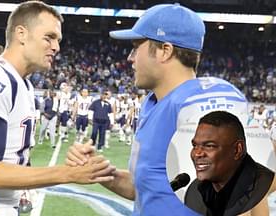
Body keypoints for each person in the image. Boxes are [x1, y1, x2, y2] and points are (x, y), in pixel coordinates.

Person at [66, 3, 249, 215]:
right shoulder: (153, 103)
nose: (130, 57)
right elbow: (141, 187)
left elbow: (243, 193)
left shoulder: (199, 102)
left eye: (137, 47)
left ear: (165, 51)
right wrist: (98, 170)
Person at [0, 1, 114, 215]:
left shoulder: (23, 84)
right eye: (49, 37)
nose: (56, 47)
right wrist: (68, 173)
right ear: (21, 34)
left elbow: (13, 153)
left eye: (58, 40)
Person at [185, 111, 274, 216]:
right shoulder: (194, 191)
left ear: (237, 150)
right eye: (195, 145)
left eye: (209, 146)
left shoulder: (259, 185)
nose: (197, 154)